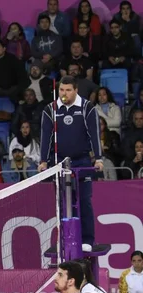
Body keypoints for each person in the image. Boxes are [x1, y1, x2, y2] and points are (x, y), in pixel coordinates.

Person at [39, 76, 102, 252]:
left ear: (76, 90)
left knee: (84, 201)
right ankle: (65, 239)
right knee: (62, 204)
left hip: (81, 160)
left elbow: (94, 134)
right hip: (59, 162)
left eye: (68, 90)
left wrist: (98, 158)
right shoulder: (50, 109)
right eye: (61, 90)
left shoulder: (87, 107)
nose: (64, 94)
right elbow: (45, 137)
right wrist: (43, 161)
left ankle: (88, 239)